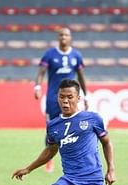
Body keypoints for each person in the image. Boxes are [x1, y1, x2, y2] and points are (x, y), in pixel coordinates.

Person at [12, 79, 116, 185]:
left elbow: (106, 142)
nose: (65, 101)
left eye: (70, 97)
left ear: (78, 98)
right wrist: (28, 168)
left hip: (92, 182)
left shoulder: (92, 119)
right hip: (70, 181)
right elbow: (50, 150)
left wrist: (111, 169)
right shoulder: (53, 125)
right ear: (57, 98)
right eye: (62, 97)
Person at [34, 27, 88, 173]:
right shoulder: (50, 54)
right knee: (51, 128)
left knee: (75, 125)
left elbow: (81, 76)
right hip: (53, 98)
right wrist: (37, 86)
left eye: (66, 35)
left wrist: (86, 95)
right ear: (58, 38)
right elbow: (41, 72)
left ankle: (76, 157)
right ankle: (49, 159)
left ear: (70, 38)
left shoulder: (76, 55)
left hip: (71, 99)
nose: (63, 37)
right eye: (61, 35)